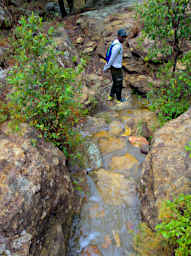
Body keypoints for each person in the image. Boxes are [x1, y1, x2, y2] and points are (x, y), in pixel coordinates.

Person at [103, 29, 128, 103]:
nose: (124, 38)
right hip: (116, 68)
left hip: (114, 66)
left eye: (124, 37)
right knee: (119, 84)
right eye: (122, 37)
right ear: (118, 36)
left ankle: (111, 95)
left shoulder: (115, 42)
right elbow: (112, 58)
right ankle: (119, 99)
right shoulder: (117, 46)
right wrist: (106, 67)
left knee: (115, 82)